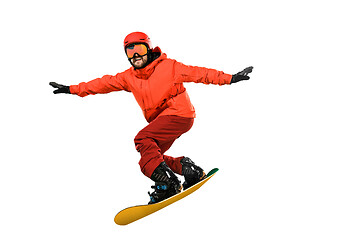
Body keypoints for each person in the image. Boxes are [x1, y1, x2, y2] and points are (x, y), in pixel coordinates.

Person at [50, 32, 253, 204]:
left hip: (179, 114)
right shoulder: (128, 77)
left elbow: (199, 74)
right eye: (129, 50)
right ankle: (187, 169)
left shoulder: (169, 67)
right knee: (150, 157)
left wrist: (230, 78)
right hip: (164, 122)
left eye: (138, 48)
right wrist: (72, 89)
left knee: (142, 139)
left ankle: (168, 185)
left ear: (148, 48)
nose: (135, 54)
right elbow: (102, 84)